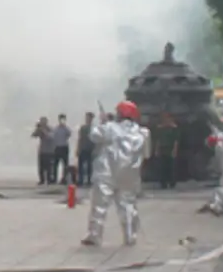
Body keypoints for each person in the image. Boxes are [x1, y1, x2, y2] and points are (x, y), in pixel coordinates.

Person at [82, 101, 151, 247]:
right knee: (128, 206)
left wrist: (102, 122)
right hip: (129, 176)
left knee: (99, 205)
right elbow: (147, 154)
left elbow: (93, 136)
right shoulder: (143, 133)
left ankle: (95, 235)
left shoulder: (110, 128)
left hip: (106, 173)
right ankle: (130, 236)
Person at [152, 113, 181, 190]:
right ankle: (163, 182)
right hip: (162, 149)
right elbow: (158, 140)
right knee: (162, 167)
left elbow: (176, 141)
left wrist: (175, 150)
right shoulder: (160, 129)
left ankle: (172, 182)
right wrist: (156, 150)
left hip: (170, 149)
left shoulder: (174, 128)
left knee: (171, 167)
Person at [75, 111, 97, 187]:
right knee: (80, 165)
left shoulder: (94, 128)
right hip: (83, 148)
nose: (87, 119)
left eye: (89, 118)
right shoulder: (82, 128)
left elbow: (95, 140)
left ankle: (89, 180)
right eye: (87, 117)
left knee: (90, 166)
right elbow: (80, 138)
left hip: (90, 149)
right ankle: (80, 180)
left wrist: (95, 150)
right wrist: (78, 148)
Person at [31, 117, 54, 184]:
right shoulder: (40, 129)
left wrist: (43, 130)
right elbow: (33, 135)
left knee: (49, 167)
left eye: (43, 122)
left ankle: (49, 179)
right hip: (42, 150)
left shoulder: (50, 129)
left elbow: (50, 137)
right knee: (41, 166)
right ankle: (42, 180)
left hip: (49, 151)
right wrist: (37, 129)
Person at [52, 114, 72, 184]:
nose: (62, 121)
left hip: (64, 147)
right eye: (61, 119)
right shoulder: (56, 129)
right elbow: (53, 137)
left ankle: (64, 179)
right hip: (57, 147)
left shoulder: (66, 128)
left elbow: (69, 134)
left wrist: (64, 126)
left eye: (63, 119)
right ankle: (54, 178)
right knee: (55, 164)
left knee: (65, 164)